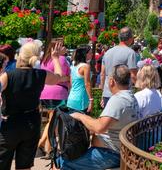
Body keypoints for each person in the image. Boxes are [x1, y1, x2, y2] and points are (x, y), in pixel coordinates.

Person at [0, 41, 66, 170]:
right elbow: (59, 77)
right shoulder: (41, 74)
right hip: (32, 123)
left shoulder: (8, 76)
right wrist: (55, 58)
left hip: (10, 123)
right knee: (25, 166)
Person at [64, 65, 138, 170]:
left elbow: (99, 127)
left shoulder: (118, 100)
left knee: (63, 161)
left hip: (110, 153)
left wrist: (80, 116)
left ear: (112, 81)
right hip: (117, 149)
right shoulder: (130, 96)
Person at [38, 38, 71, 152]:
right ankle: (46, 145)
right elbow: (61, 77)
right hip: (58, 92)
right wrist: (67, 78)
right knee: (54, 121)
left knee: (51, 120)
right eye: (62, 46)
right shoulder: (61, 59)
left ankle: (45, 145)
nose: (65, 48)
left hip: (44, 92)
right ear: (56, 47)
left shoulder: (44, 60)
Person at [100, 27, 137, 107]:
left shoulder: (107, 53)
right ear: (130, 38)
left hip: (107, 93)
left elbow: (102, 74)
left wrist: (103, 93)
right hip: (122, 94)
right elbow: (133, 75)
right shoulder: (130, 53)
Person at [67, 46, 93, 113]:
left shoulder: (73, 65)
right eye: (90, 53)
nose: (92, 54)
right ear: (85, 54)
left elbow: (71, 83)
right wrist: (91, 100)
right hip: (81, 100)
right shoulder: (85, 66)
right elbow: (87, 84)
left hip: (71, 98)